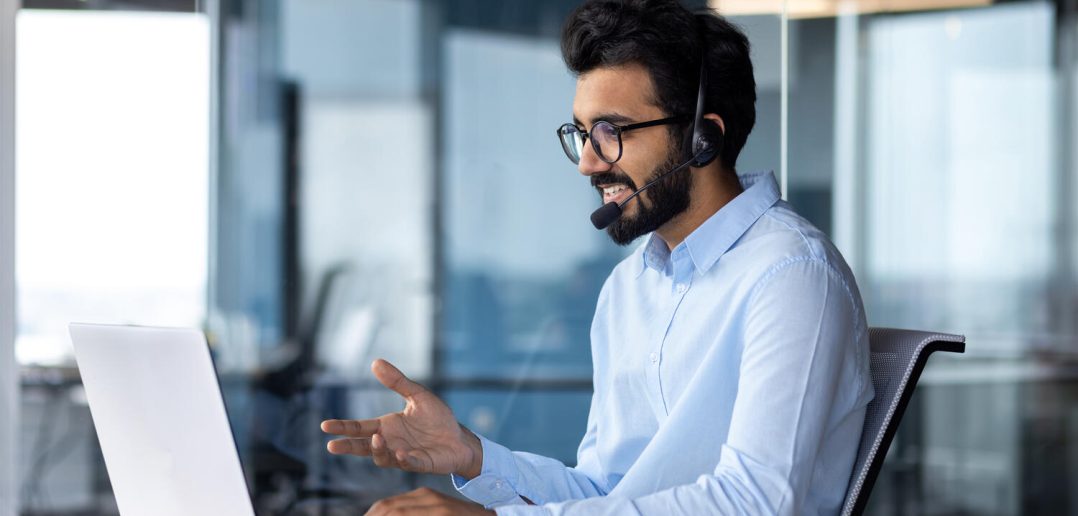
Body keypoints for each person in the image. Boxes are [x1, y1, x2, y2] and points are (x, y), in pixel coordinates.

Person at [321, 0, 873, 514]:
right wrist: (473, 455)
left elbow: (755, 502)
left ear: (703, 138)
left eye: (610, 132)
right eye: (582, 133)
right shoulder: (631, 288)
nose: (587, 163)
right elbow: (605, 491)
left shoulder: (792, 276)